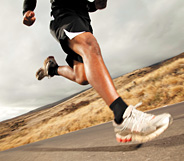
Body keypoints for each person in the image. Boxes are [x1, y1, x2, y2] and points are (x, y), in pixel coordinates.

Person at [22, 0, 172, 143]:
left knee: (82, 77)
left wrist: (96, 4)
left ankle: (52, 69)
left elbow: (88, 5)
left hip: (83, 21)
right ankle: (122, 115)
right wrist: (28, 9)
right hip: (64, 16)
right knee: (89, 44)